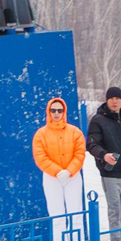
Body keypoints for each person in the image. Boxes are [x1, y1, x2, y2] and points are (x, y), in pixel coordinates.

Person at [86, 86, 121, 241]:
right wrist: (104, 155)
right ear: (107, 100)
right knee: (114, 210)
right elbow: (92, 144)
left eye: (117, 98)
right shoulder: (98, 120)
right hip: (110, 173)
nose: (114, 101)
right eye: (111, 98)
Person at [32, 96, 89, 229]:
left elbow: (80, 153)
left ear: (64, 112)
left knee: (76, 215)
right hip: (51, 177)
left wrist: (70, 170)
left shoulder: (75, 132)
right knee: (57, 216)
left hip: (72, 176)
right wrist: (56, 171)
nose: (56, 113)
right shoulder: (40, 134)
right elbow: (40, 156)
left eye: (59, 110)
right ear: (48, 112)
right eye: (53, 110)